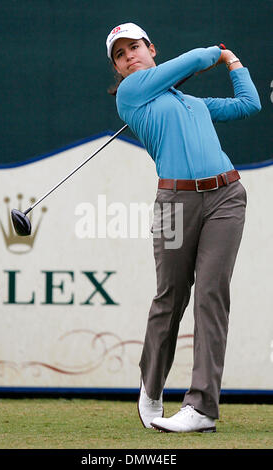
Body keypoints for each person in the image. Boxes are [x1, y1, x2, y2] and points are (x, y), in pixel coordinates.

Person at [106, 23, 261, 433]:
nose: (129, 57)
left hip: (227, 196)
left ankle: (202, 407)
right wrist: (215, 51)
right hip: (175, 204)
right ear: (119, 71)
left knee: (212, 296)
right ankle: (152, 388)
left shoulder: (193, 102)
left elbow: (249, 104)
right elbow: (194, 59)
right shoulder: (131, 95)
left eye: (134, 48)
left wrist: (234, 63)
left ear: (150, 48)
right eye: (120, 56)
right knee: (170, 299)